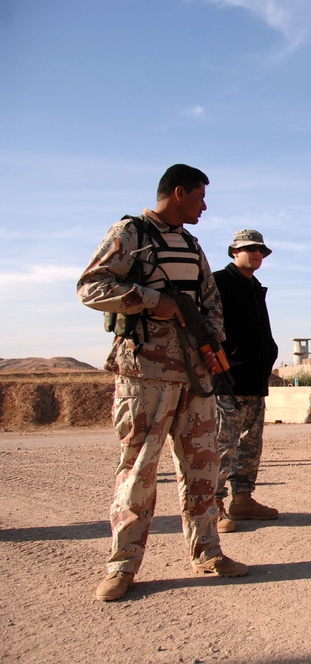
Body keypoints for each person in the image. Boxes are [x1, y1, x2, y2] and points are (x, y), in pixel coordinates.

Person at [78, 164, 248, 602]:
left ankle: (208, 551)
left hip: (194, 373)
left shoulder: (190, 243)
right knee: (139, 472)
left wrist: (210, 346)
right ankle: (123, 565)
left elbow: (210, 299)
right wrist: (154, 302)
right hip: (146, 375)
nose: (204, 206)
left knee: (203, 468)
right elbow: (91, 287)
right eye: (199, 197)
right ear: (177, 193)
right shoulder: (129, 234)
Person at [213, 230, 280, 533]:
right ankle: (213, 505)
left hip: (254, 377)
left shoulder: (254, 286)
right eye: (250, 249)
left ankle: (242, 499)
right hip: (227, 379)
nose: (256, 254)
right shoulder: (218, 282)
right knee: (222, 444)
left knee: (250, 444)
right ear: (233, 251)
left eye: (261, 251)